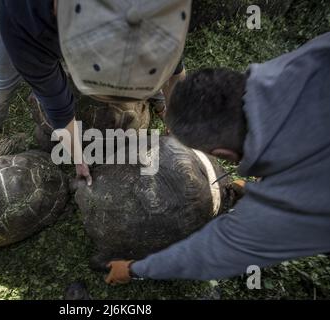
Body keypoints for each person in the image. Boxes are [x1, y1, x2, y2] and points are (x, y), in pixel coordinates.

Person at [105, 32, 330, 284]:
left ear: (223, 155)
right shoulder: (312, 57)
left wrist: (133, 269)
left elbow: (207, 254)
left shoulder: (289, 207)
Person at [0, 0, 190, 186]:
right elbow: (57, 105)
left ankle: (159, 100)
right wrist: (78, 158)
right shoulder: (26, 33)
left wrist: (178, 114)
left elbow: (172, 67)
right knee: (1, 85)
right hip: (24, 19)